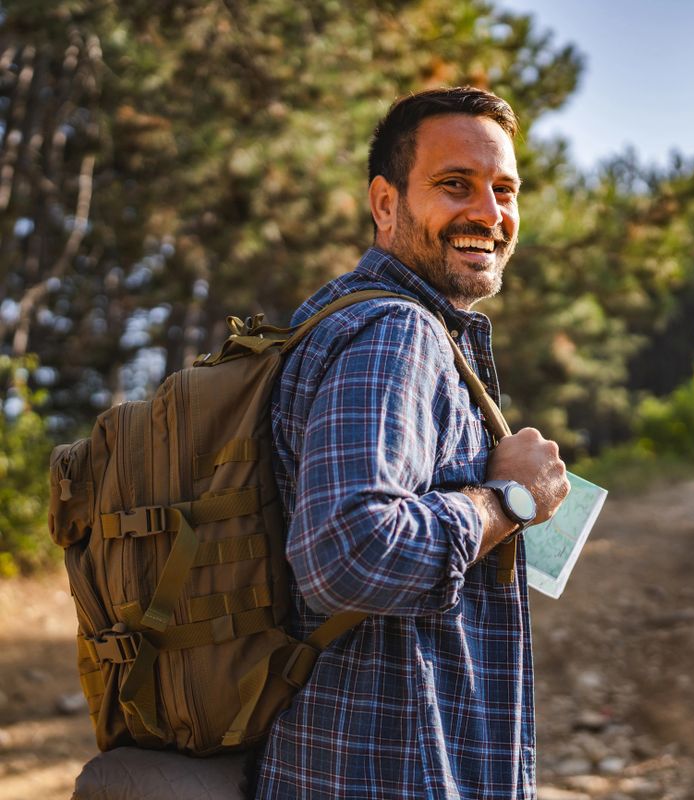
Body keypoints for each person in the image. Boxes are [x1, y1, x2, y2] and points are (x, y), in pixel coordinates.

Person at [256, 87, 570, 799]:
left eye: (504, 190)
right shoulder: (395, 332)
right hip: (386, 769)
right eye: (454, 185)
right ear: (386, 203)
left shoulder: (340, 319)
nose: (489, 214)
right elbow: (348, 552)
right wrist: (511, 501)